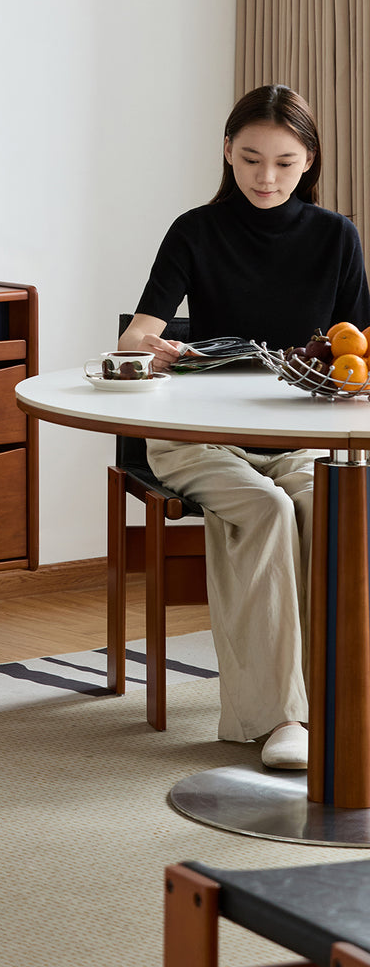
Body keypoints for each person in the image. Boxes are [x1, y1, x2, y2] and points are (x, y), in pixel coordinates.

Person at [119, 83, 370, 769]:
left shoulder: (336, 236)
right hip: (197, 437)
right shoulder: (196, 230)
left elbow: (359, 347)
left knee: (330, 504)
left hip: (297, 434)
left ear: (309, 161)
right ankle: (278, 719)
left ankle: (341, 705)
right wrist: (153, 347)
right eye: (251, 158)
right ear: (227, 151)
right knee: (263, 511)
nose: (266, 177)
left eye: (285, 163)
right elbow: (139, 333)